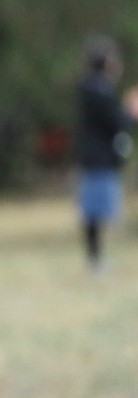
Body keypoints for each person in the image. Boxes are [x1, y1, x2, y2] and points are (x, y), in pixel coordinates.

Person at [74, 35, 138, 274]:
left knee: (97, 213)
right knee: (95, 212)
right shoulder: (98, 90)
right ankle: (95, 261)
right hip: (98, 160)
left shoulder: (94, 88)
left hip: (96, 159)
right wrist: (132, 111)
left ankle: (96, 259)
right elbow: (116, 122)